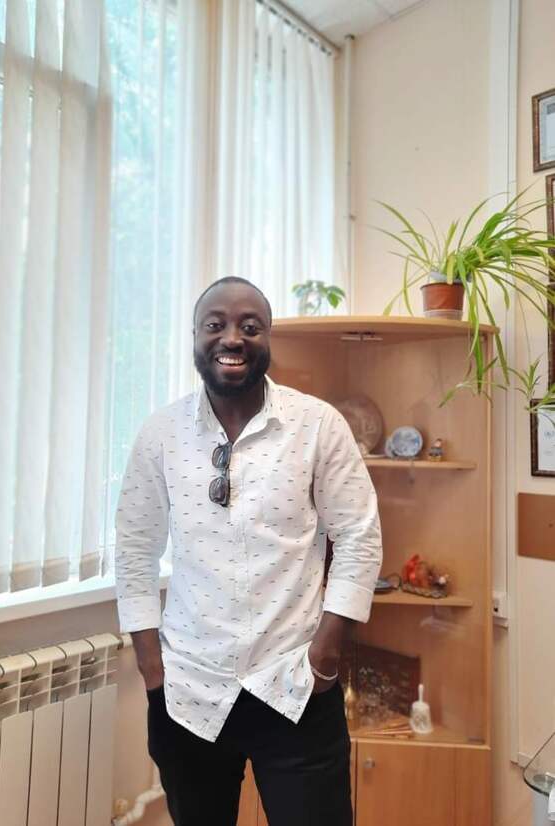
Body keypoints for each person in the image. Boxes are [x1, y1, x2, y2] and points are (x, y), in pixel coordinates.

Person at [115, 277, 382, 826]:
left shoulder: (317, 425)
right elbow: (135, 549)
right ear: (196, 336)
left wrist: (327, 654)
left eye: (249, 326)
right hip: (188, 690)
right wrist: (150, 664)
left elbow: (359, 536)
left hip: (295, 683)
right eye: (215, 325)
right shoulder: (161, 433)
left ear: (268, 338)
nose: (232, 338)